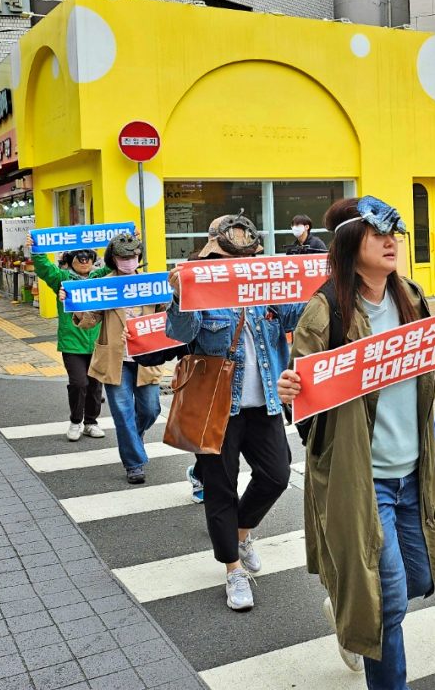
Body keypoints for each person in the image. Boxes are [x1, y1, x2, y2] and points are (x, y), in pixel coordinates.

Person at [276, 196, 435, 689]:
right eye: (378, 235)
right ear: (350, 244)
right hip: (362, 477)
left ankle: (349, 604)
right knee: (388, 603)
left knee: (420, 579)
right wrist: (294, 389)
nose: (391, 242)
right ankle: (368, 630)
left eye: (394, 234)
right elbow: (305, 399)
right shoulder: (326, 308)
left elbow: (432, 364)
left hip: (413, 469)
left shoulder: (411, 297)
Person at [166, 214, 305, 612]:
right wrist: (181, 292)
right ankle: (233, 570)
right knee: (221, 489)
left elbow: (296, 315)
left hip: (265, 405)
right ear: (214, 242)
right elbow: (179, 334)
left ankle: (242, 534)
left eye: (246, 236)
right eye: (232, 237)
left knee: (277, 475)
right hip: (217, 409)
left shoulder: (265, 282)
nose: (241, 240)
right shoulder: (197, 278)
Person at [72, 233, 165, 485]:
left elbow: (166, 315)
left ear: (139, 257)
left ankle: (133, 438)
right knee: (122, 413)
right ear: (113, 258)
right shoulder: (104, 284)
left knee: (151, 409)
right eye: (123, 257)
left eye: (133, 256)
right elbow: (89, 320)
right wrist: (75, 304)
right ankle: (134, 463)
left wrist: (175, 296)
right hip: (115, 360)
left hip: (147, 357)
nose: (128, 260)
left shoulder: (151, 283)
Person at [26, 234, 110, 441]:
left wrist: (131, 241)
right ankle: (75, 421)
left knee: (95, 385)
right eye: (80, 258)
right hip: (72, 342)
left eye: (88, 258)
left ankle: (91, 422)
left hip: (98, 341)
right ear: (71, 260)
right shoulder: (62, 279)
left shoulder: (101, 276)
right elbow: (44, 267)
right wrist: (37, 248)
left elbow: (119, 261)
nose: (84, 262)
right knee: (79, 383)